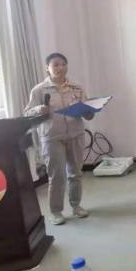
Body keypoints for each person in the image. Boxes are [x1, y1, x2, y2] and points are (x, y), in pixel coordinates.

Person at [24, 53, 92, 225]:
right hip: (52, 137)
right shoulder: (39, 90)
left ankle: (76, 206)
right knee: (57, 176)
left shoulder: (77, 87)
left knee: (75, 173)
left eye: (63, 64)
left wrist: (86, 109)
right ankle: (56, 212)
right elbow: (27, 113)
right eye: (55, 65)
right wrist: (39, 109)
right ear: (47, 68)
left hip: (75, 134)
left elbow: (88, 114)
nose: (60, 68)